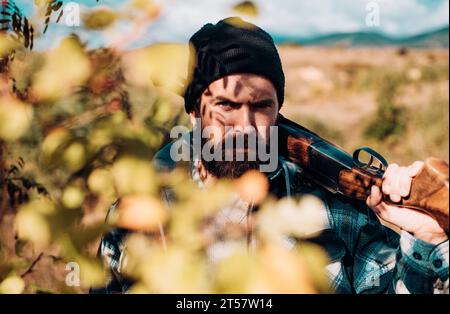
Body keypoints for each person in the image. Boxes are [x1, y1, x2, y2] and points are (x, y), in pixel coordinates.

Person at [92, 17, 448, 294]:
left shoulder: (330, 205)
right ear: (194, 112)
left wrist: (427, 240)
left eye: (261, 106)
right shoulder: (140, 211)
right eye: (226, 105)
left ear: (278, 111)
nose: (246, 126)